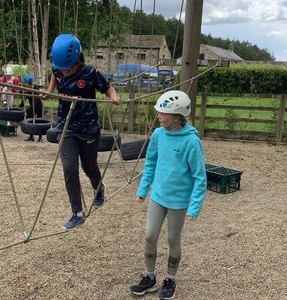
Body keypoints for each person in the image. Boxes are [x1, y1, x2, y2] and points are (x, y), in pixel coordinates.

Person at [130, 90, 207, 300]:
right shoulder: (158, 134)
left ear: (176, 116)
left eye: (162, 113)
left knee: (173, 239)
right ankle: (149, 277)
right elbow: (151, 162)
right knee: (149, 235)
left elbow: (200, 176)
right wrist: (143, 189)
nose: (158, 116)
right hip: (158, 196)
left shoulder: (191, 142)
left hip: (178, 201)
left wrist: (195, 205)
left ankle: (171, 279)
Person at [41, 33, 120, 230]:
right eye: (60, 67)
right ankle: (77, 212)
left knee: (90, 168)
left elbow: (108, 88)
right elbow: (54, 79)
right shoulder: (58, 70)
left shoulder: (90, 73)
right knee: (69, 169)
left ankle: (98, 189)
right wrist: (48, 92)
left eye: (67, 68)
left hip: (88, 130)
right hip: (66, 128)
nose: (63, 71)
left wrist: (114, 97)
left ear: (77, 60)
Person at [19, 73, 43, 142]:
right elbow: (23, 101)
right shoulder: (26, 90)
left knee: (39, 120)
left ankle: (40, 137)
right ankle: (31, 136)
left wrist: (27, 110)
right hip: (32, 106)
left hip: (38, 106)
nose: (24, 84)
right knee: (29, 119)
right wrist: (19, 108)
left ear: (28, 83)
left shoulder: (35, 89)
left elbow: (34, 103)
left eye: (25, 83)